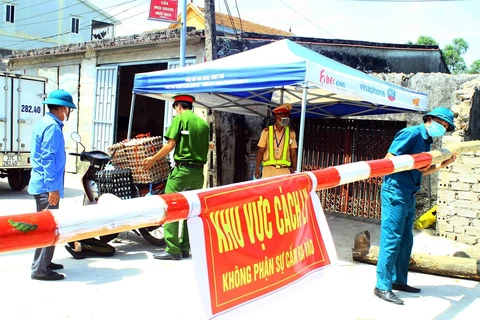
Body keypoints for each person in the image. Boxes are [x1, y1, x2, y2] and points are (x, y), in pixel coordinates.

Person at [374, 107, 457, 304]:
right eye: (441, 123)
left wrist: (443, 164)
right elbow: (388, 161)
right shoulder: (410, 133)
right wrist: (413, 164)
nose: (442, 128)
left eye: (445, 127)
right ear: (430, 119)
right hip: (395, 193)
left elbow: (420, 171)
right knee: (391, 239)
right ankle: (381, 286)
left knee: (406, 240)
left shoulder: (427, 141)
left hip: (410, 194)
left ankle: (398, 281)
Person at [142, 94, 209, 260]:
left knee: (170, 206)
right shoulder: (203, 123)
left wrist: (152, 159)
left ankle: (172, 249)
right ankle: (185, 247)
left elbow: (170, 145)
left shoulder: (179, 119)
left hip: (181, 172)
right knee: (191, 209)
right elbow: (207, 145)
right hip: (198, 173)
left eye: (175, 107)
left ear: (179, 106)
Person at [29, 89, 77, 281]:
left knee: (45, 227)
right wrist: (52, 188)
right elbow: (48, 157)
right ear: (64, 109)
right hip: (46, 187)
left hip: (41, 183)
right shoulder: (53, 128)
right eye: (68, 110)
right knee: (49, 227)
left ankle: (44, 262)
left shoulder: (44, 122)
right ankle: (40, 269)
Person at [254, 104, 298, 179]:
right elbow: (260, 151)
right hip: (268, 170)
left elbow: (293, 153)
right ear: (278, 117)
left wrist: (295, 170)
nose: (287, 118)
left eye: (288, 116)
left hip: (284, 170)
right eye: (285, 115)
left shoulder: (291, 133)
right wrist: (257, 168)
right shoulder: (266, 132)